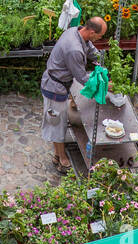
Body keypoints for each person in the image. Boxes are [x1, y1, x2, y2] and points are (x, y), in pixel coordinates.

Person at [40, 17, 107, 174]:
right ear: (91, 31)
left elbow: (89, 47)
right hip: (54, 89)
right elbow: (82, 77)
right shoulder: (74, 49)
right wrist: (103, 85)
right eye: (100, 36)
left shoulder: (76, 31)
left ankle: (58, 153)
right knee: (56, 123)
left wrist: (100, 60)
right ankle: (62, 159)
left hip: (59, 83)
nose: (100, 39)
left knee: (59, 120)